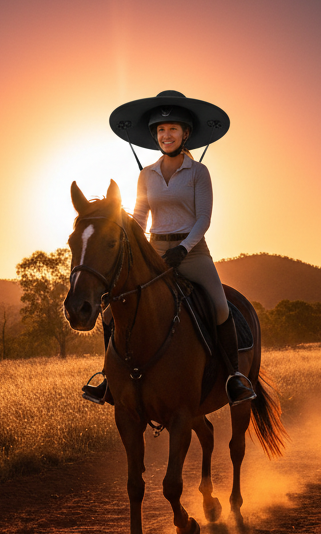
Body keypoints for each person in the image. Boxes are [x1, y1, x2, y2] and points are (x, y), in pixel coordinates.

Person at [82, 90, 255, 406]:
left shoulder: (198, 172)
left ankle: (234, 377)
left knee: (220, 306)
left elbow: (203, 218)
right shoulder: (146, 175)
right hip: (154, 252)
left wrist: (185, 248)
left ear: (185, 133)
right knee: (109, 313)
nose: (166, 134)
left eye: (173, 128)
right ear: (155, 136)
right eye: (161, 130)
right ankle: (109, 379)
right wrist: (131, 243)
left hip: (193, 252)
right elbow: (140, 216)